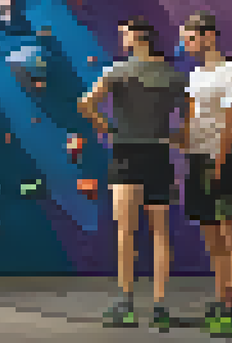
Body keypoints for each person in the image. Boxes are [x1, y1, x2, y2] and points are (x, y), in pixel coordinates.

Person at [78, 18, 188, 329]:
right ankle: (159, 307)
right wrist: (175, 137)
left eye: (123, 34)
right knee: (160, 233)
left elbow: (86, 104)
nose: (121, 39)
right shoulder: (173, 75)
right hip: (159, 156)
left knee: (126, 232)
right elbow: (188, 120)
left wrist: (110, 130)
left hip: (126, 155)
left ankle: (125, 303)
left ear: (138, 37)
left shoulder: (116, 71)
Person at [178, 12, 232, 334]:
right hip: (199, 159)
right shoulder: (194, 76)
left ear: (209, 36)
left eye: (190, 38)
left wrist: (222, 156)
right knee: (211, 234)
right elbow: (191, 118)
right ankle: (223, 298)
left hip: (227, 158)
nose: (186, 44)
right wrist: (186, 143)